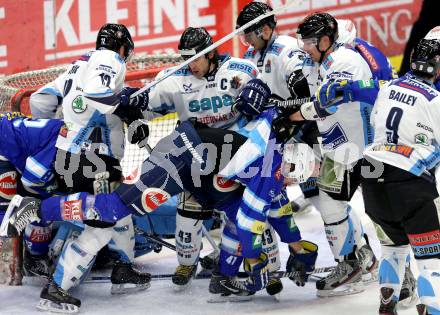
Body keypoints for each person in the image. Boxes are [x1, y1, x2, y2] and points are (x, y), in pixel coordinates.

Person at [146, 26, 284, 293]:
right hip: (198, 156)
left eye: (195, 58)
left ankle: (272, 269)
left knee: (252, 215)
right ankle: (186, 262)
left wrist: (258, 94)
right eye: (185, 59)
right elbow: (146, 105)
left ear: (210, 53)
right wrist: (133, 108)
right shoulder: (173, 79)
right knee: (188, 211)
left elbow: (265, 96)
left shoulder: (239, 70)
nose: (191, 65)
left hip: (237, 156)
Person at [310, 33, 440, 315]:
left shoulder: (387, 85)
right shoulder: (435, 101)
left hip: (372, 176)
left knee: (393, 250)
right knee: (432, 261)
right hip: (410, 183)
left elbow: (358, 93)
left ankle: (387, 304)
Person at [28, 23, 151, 313]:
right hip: (94, 158)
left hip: (70, 156)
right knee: (101, 224)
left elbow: (39, 100)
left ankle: (122, 268)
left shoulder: (77, 66)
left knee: (118, 206)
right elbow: (98, 94)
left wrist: (62, 132)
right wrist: (125, 109)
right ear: (122, 47)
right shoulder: (110, 58)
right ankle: (57, 288)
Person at [287, 12, 378, 297]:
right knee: (331, 205)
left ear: (326, 40)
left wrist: (295, 115)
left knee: (346, 207)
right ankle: (360, 260)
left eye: (309, 42)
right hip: (337, 148)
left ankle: (353, 264)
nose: (305, 47)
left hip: (359, 150)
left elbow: (327, 101)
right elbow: (302, 77)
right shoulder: (319, 61)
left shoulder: (345, 61)